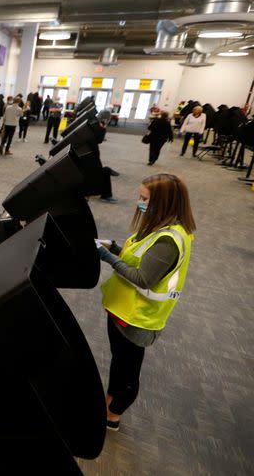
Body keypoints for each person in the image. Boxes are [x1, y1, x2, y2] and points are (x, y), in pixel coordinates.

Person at [95, 173, 195, 431]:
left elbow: (143, 278)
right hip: (123, 310)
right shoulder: (158, 226)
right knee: (119, 364)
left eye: (144, 198)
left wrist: (105, 255)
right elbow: (137, 258)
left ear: (163, 202)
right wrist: (114, 246)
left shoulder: (168, 240)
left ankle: (113, 415)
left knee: (127, 372)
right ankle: (108, 402)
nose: (139, 202)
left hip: (138, 317)